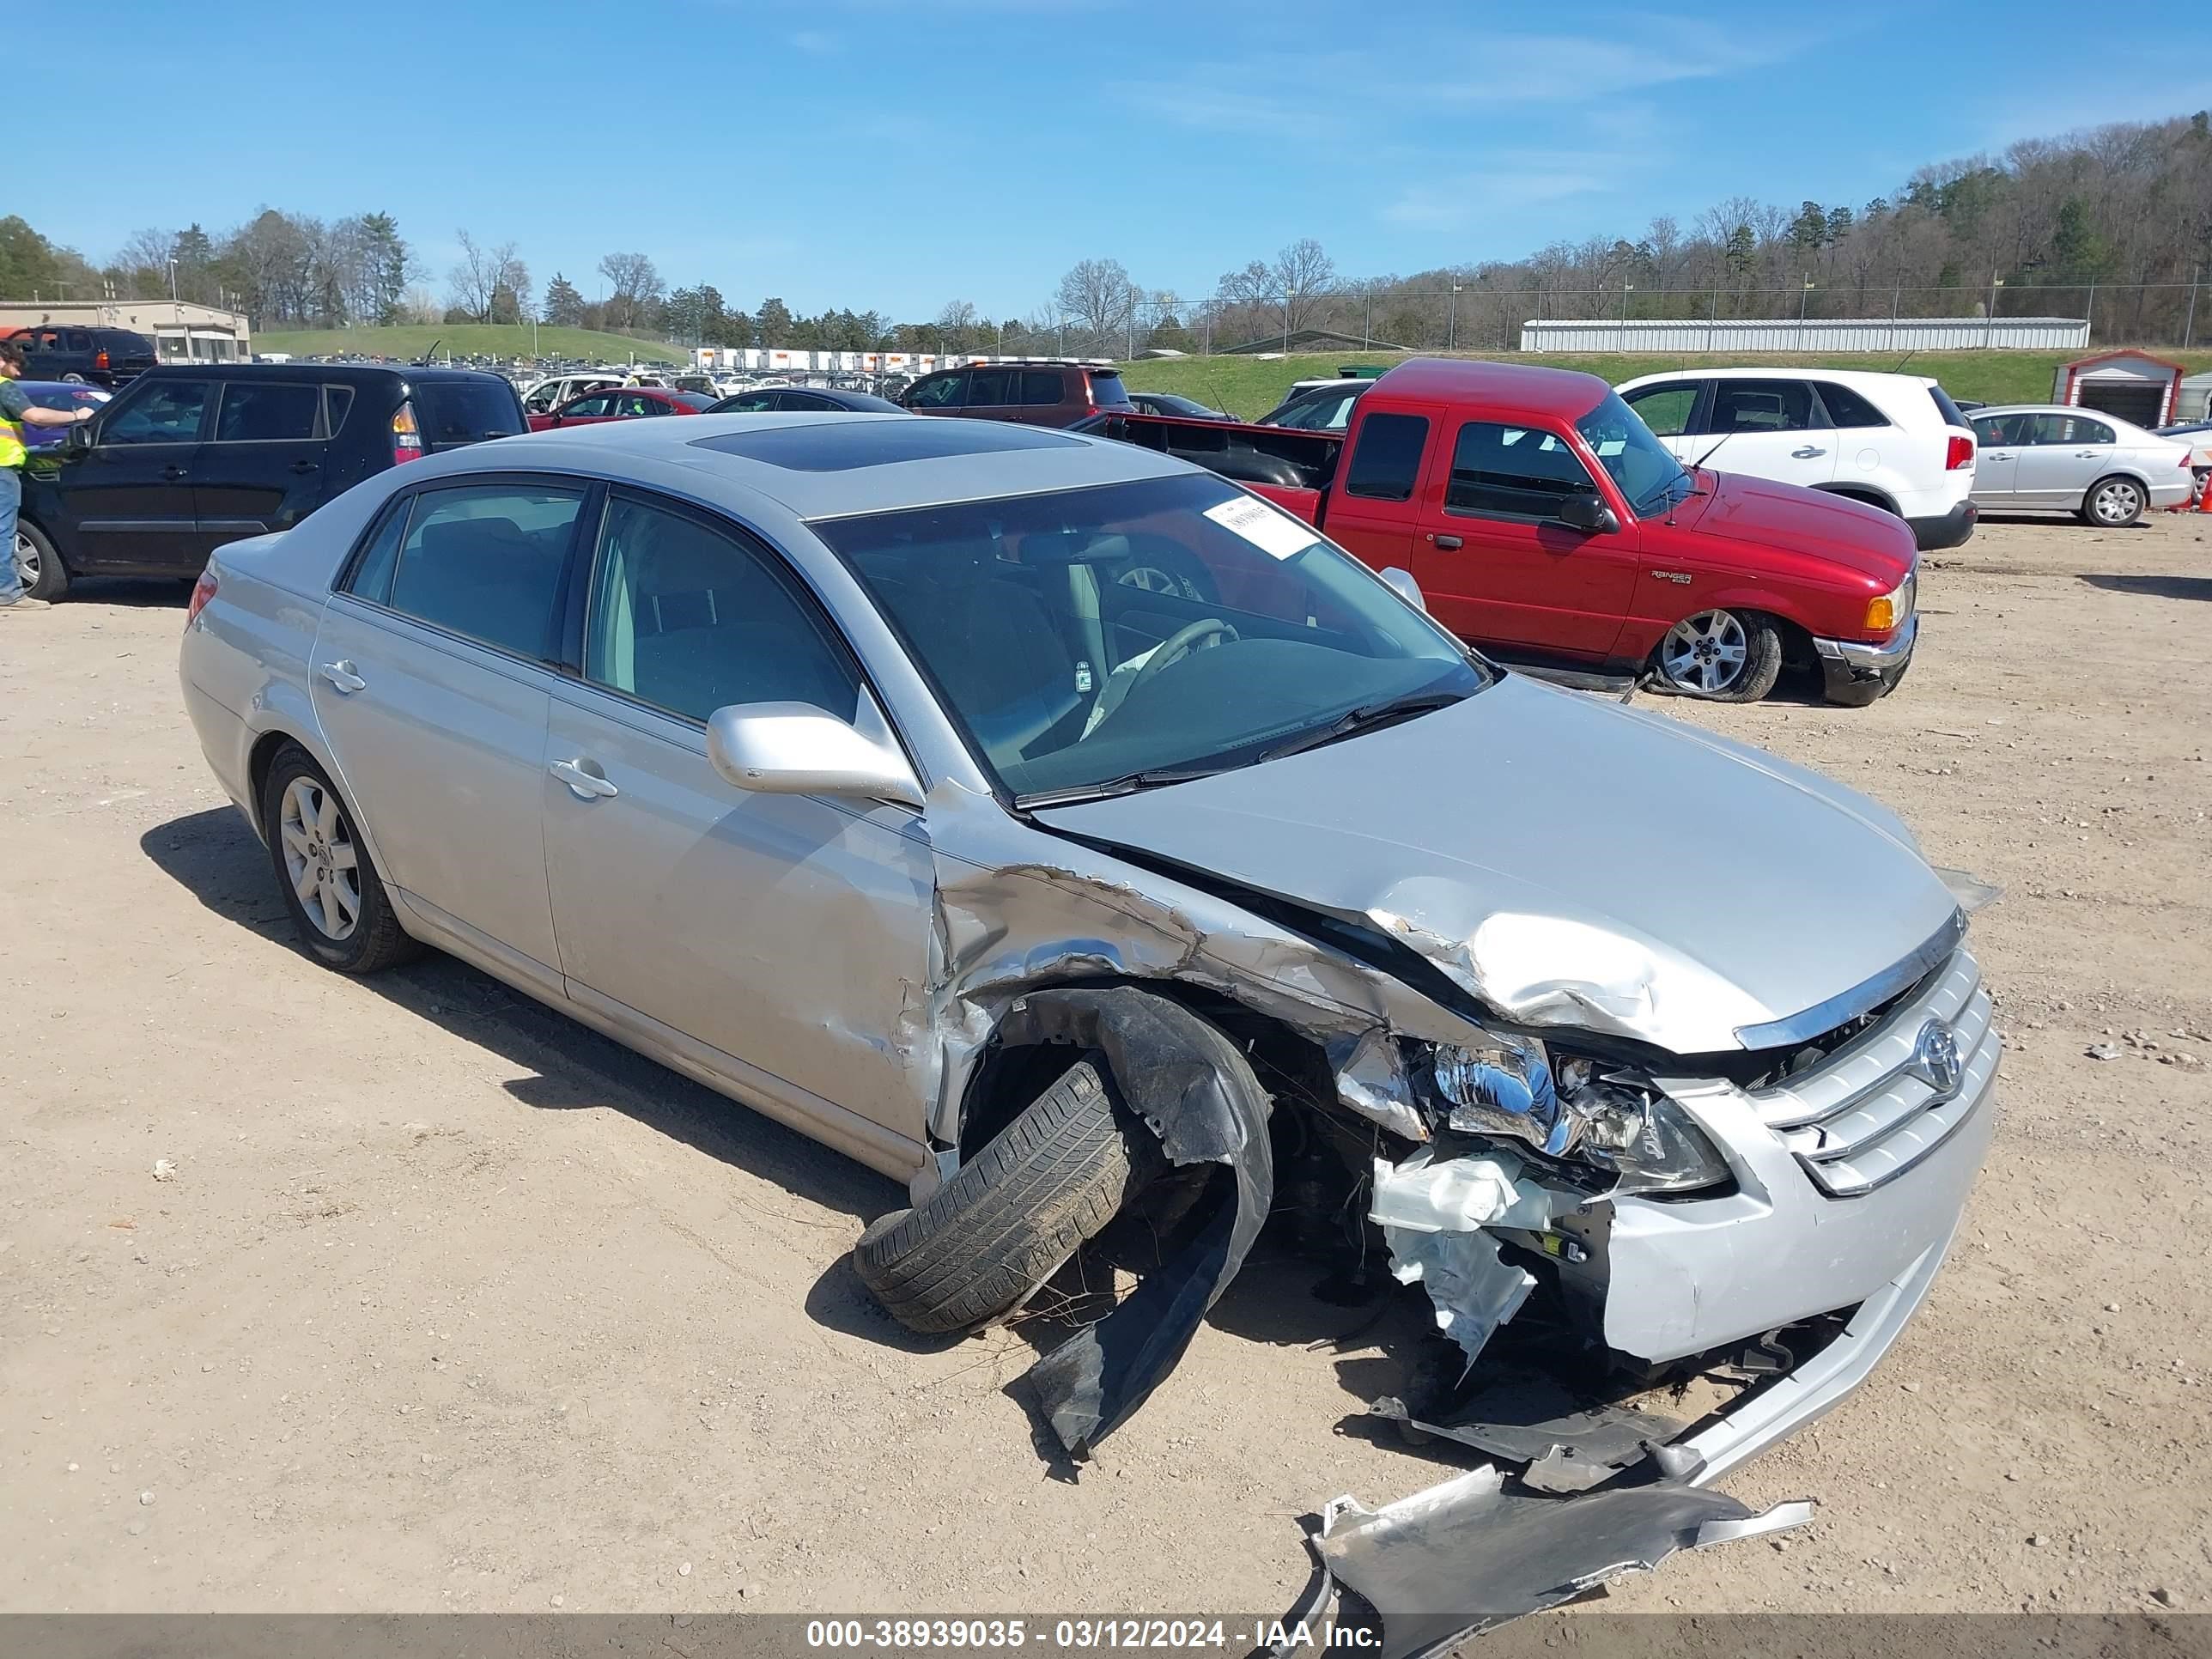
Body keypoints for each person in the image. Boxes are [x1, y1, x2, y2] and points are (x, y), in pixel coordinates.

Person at [1, 337, 98, 611]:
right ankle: (7, 592)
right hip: (3, 468)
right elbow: (36, 417)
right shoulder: (4, 388)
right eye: (14, 365)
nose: (18, 373)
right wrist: (77, 414)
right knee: (4, 531)